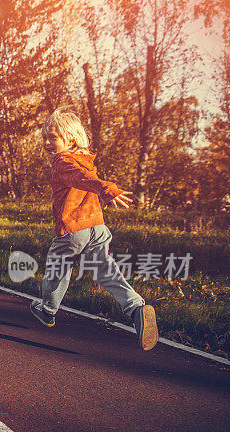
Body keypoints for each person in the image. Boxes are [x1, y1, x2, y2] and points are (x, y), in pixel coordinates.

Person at [30, 107, 158, 351]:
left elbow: (80, 178)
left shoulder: (63, 163)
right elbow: (85, 181)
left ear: (71, 139)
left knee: (57, 266)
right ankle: (136, 307)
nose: (47, 142)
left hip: (73, 228)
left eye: (53, 137)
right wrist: (104, 194)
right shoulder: (85, 159)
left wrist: (106, 189)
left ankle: (47, 310)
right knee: (105, 270)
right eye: (44, 137)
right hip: (97, 226)